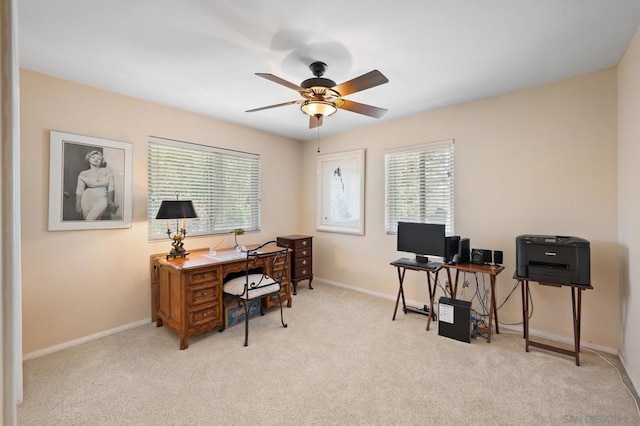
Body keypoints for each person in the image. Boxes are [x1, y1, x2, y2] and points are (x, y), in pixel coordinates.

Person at [75, 150, 118, 220]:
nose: (96, 160)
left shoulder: (107, 171)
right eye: (93, 157)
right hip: (87, 199)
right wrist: (78, 205)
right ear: (89, 159)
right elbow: (79, 191)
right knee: (95, 221)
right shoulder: (83, 173)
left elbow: (111, 188)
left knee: (89, 220)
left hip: (102, 198)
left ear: (101, 161)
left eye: (99, 159)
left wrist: (110, 202)